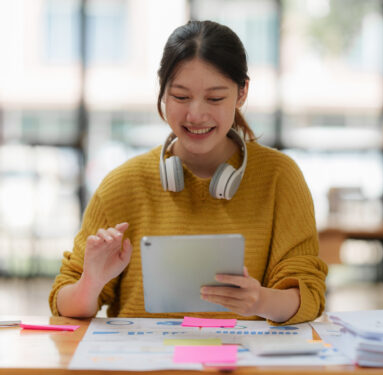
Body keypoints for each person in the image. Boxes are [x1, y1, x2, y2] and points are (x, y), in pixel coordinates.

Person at [49, 20, 327, 325]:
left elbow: (309, 297)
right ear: (163, 92)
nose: (195, 114)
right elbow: (65, 304)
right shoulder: (122, 185)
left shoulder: (280, 177)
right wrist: (92, 282)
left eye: (215, 98)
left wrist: (260, 300)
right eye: (181, 97)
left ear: (242, 92)